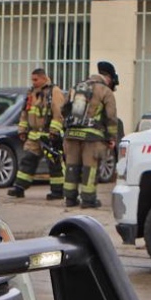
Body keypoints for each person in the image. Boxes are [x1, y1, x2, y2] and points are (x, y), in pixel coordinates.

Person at [63, 60, 123, 209]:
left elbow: (64, 108)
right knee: (89, 169)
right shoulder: (105, 91)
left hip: (72, 134)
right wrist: (111, 138)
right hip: (92, 137)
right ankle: (88, 200)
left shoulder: (77, 87)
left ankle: (70, 199)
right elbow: (111, 116)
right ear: (108, 77)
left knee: (71, 167)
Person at [8, 68, 66, 199]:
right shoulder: (31, 93)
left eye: (36, 79)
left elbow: (58, 114)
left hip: (48, 135)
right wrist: (22, 130)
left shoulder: (54, 92)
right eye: (32, 80)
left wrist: (54, 131)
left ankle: (57, 191)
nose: (33, 82)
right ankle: (19, 187)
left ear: (44, 78)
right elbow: (25, 112)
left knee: (54, 164)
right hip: (34, 135)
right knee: (27, 160)